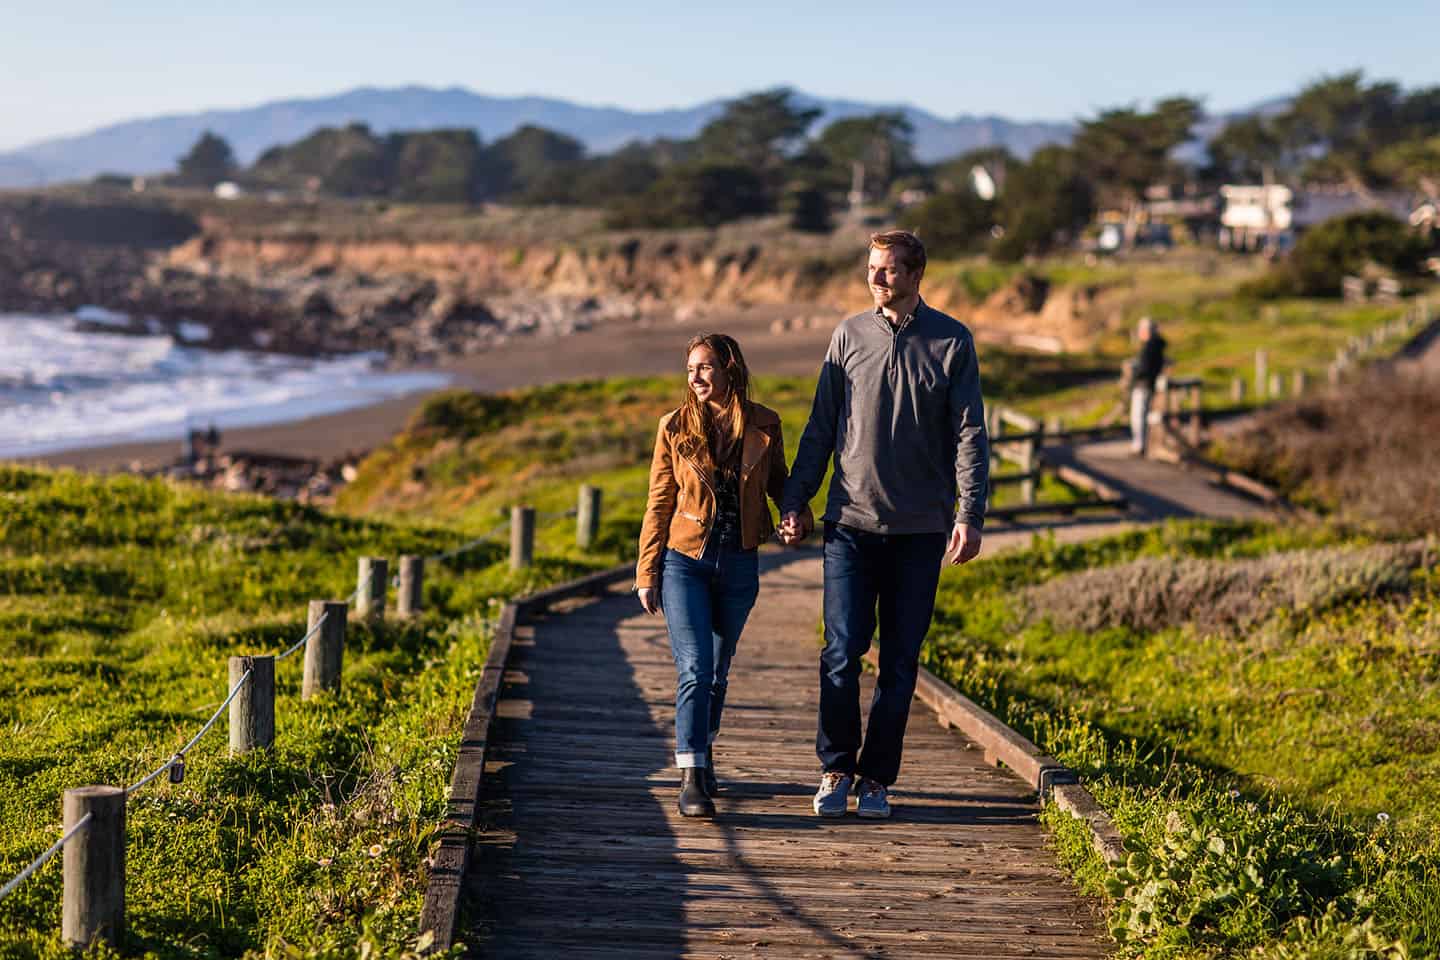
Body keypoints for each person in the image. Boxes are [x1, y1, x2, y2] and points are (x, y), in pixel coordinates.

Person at [778, 230, 989, 820]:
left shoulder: (952, 341)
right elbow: (820, 427)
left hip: (920, 530)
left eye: (890, 270)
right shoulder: (847, 335)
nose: (877, 279)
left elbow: (971, 433)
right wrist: (796, 499)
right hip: (848, 522)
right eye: (872, 268)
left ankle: (876, 778)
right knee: (841, 651)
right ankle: (836, 768)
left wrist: (969, 514)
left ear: (917, 274)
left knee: (899, 661)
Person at [636, 333, 800, 818]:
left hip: (740, 561)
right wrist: (648, 570)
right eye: (690, 370)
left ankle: (703, 754)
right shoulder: (673, 427)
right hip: (684, 561)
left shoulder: (765, 423)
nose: (696, 378)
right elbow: (659, 500)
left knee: (719, 671)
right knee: (696, 669)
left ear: (730, 367)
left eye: (706, 367)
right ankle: (690, 776)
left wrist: (795, 512)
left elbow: (779, 482)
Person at [1128, 317, 1167, 456]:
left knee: (1138, 416)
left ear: (1146, 331)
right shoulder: (1155, 345)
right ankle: (1139, 445)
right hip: (1147, 384)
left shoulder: (1150, 347)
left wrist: (1135, 375)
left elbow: (1145, 367)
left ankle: (1139, 446)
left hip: (1143, 384)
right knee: (1141, 416)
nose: (1139, 333)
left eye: (1140, 330)